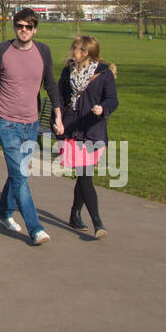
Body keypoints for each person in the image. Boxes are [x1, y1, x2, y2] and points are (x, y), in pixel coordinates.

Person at [0, 8, 62, 246]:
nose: (23, 30)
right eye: (19, 26)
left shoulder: (43, 51)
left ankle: (4, 211)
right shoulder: (2, 50)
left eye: (28, 26)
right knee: (21, 175)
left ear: (35, 29)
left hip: (31, 122)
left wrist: (58, 115)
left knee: (18, 173)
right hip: (6, 121)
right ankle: (35, 228)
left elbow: (51, 84)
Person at [54, 35, 118, 239]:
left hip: (93, 129)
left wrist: (103, 108)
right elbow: (60, 97)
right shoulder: (67, 71)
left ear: (89, 53)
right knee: (84, 175)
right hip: (72, 128)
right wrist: (57, 119)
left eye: (80, 49)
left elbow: (112, 100)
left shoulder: (103, 74)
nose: (75, 52)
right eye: (74, 48)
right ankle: (97, 223)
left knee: (84, 175)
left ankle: (75, 213)